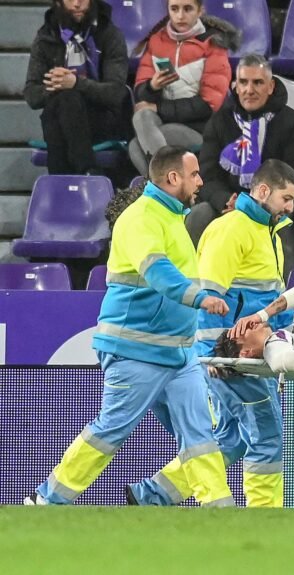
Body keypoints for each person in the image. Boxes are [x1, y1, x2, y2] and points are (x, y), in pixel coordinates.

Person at [25, 145, 234, 507]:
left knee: (199, 433)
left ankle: (220, 510)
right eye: (195, 174)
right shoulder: (140, 218)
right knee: (111, 429)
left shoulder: (172, 217)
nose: (201, 181)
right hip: (136, 349)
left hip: (177, 351)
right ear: (173, 178)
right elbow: (159, 275)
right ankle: (47, 501)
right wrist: (201, 298)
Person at [126, 159, 294, 508]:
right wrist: (215, 357)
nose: (291, 207)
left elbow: (261, 298)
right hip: (235, 357)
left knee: (232, 438)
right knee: (266, 435)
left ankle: (154, 494)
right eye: (286, 198)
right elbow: (209, 299)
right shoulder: (231, 230)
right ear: (263, 191)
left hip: (249, 354)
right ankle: (267, 518)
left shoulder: (267, 231)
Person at [193, 54, 294, 273]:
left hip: (272, 206)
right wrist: (226, 200)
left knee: (284, 226)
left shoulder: (292, 123)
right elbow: (207, 175)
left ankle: (280, 297)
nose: (250, 89)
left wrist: (258, 204)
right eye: (244, 82)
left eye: (257, 82)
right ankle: (191, 292)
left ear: (271, 86)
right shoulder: (220, 121)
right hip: (229, 204)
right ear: (235, 86)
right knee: (199, 215)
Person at [128, 0, 239, 176]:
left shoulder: (214, 44)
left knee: (136, 146)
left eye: (187, 9)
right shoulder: (157, 40)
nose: (180, 16)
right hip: (161, 121)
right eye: (174, 9)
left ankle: (165, 186)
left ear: (200, 11)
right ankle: (171, 189)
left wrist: (158, 108)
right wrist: (152, 86)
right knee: (142, 117)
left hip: (201, 128)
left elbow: (208, 106)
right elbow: (140, 92)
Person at [24, 0, 128, 175]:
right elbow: (32, 95)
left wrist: (76, 83)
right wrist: (54, 86)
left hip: (102, 119)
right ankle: (87, 170)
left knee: (64, 103)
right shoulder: (45, 38)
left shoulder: (110, 34)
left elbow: (116, 93)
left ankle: (61, 182)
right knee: (63, 101)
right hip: (61, 116)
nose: (77, 4)